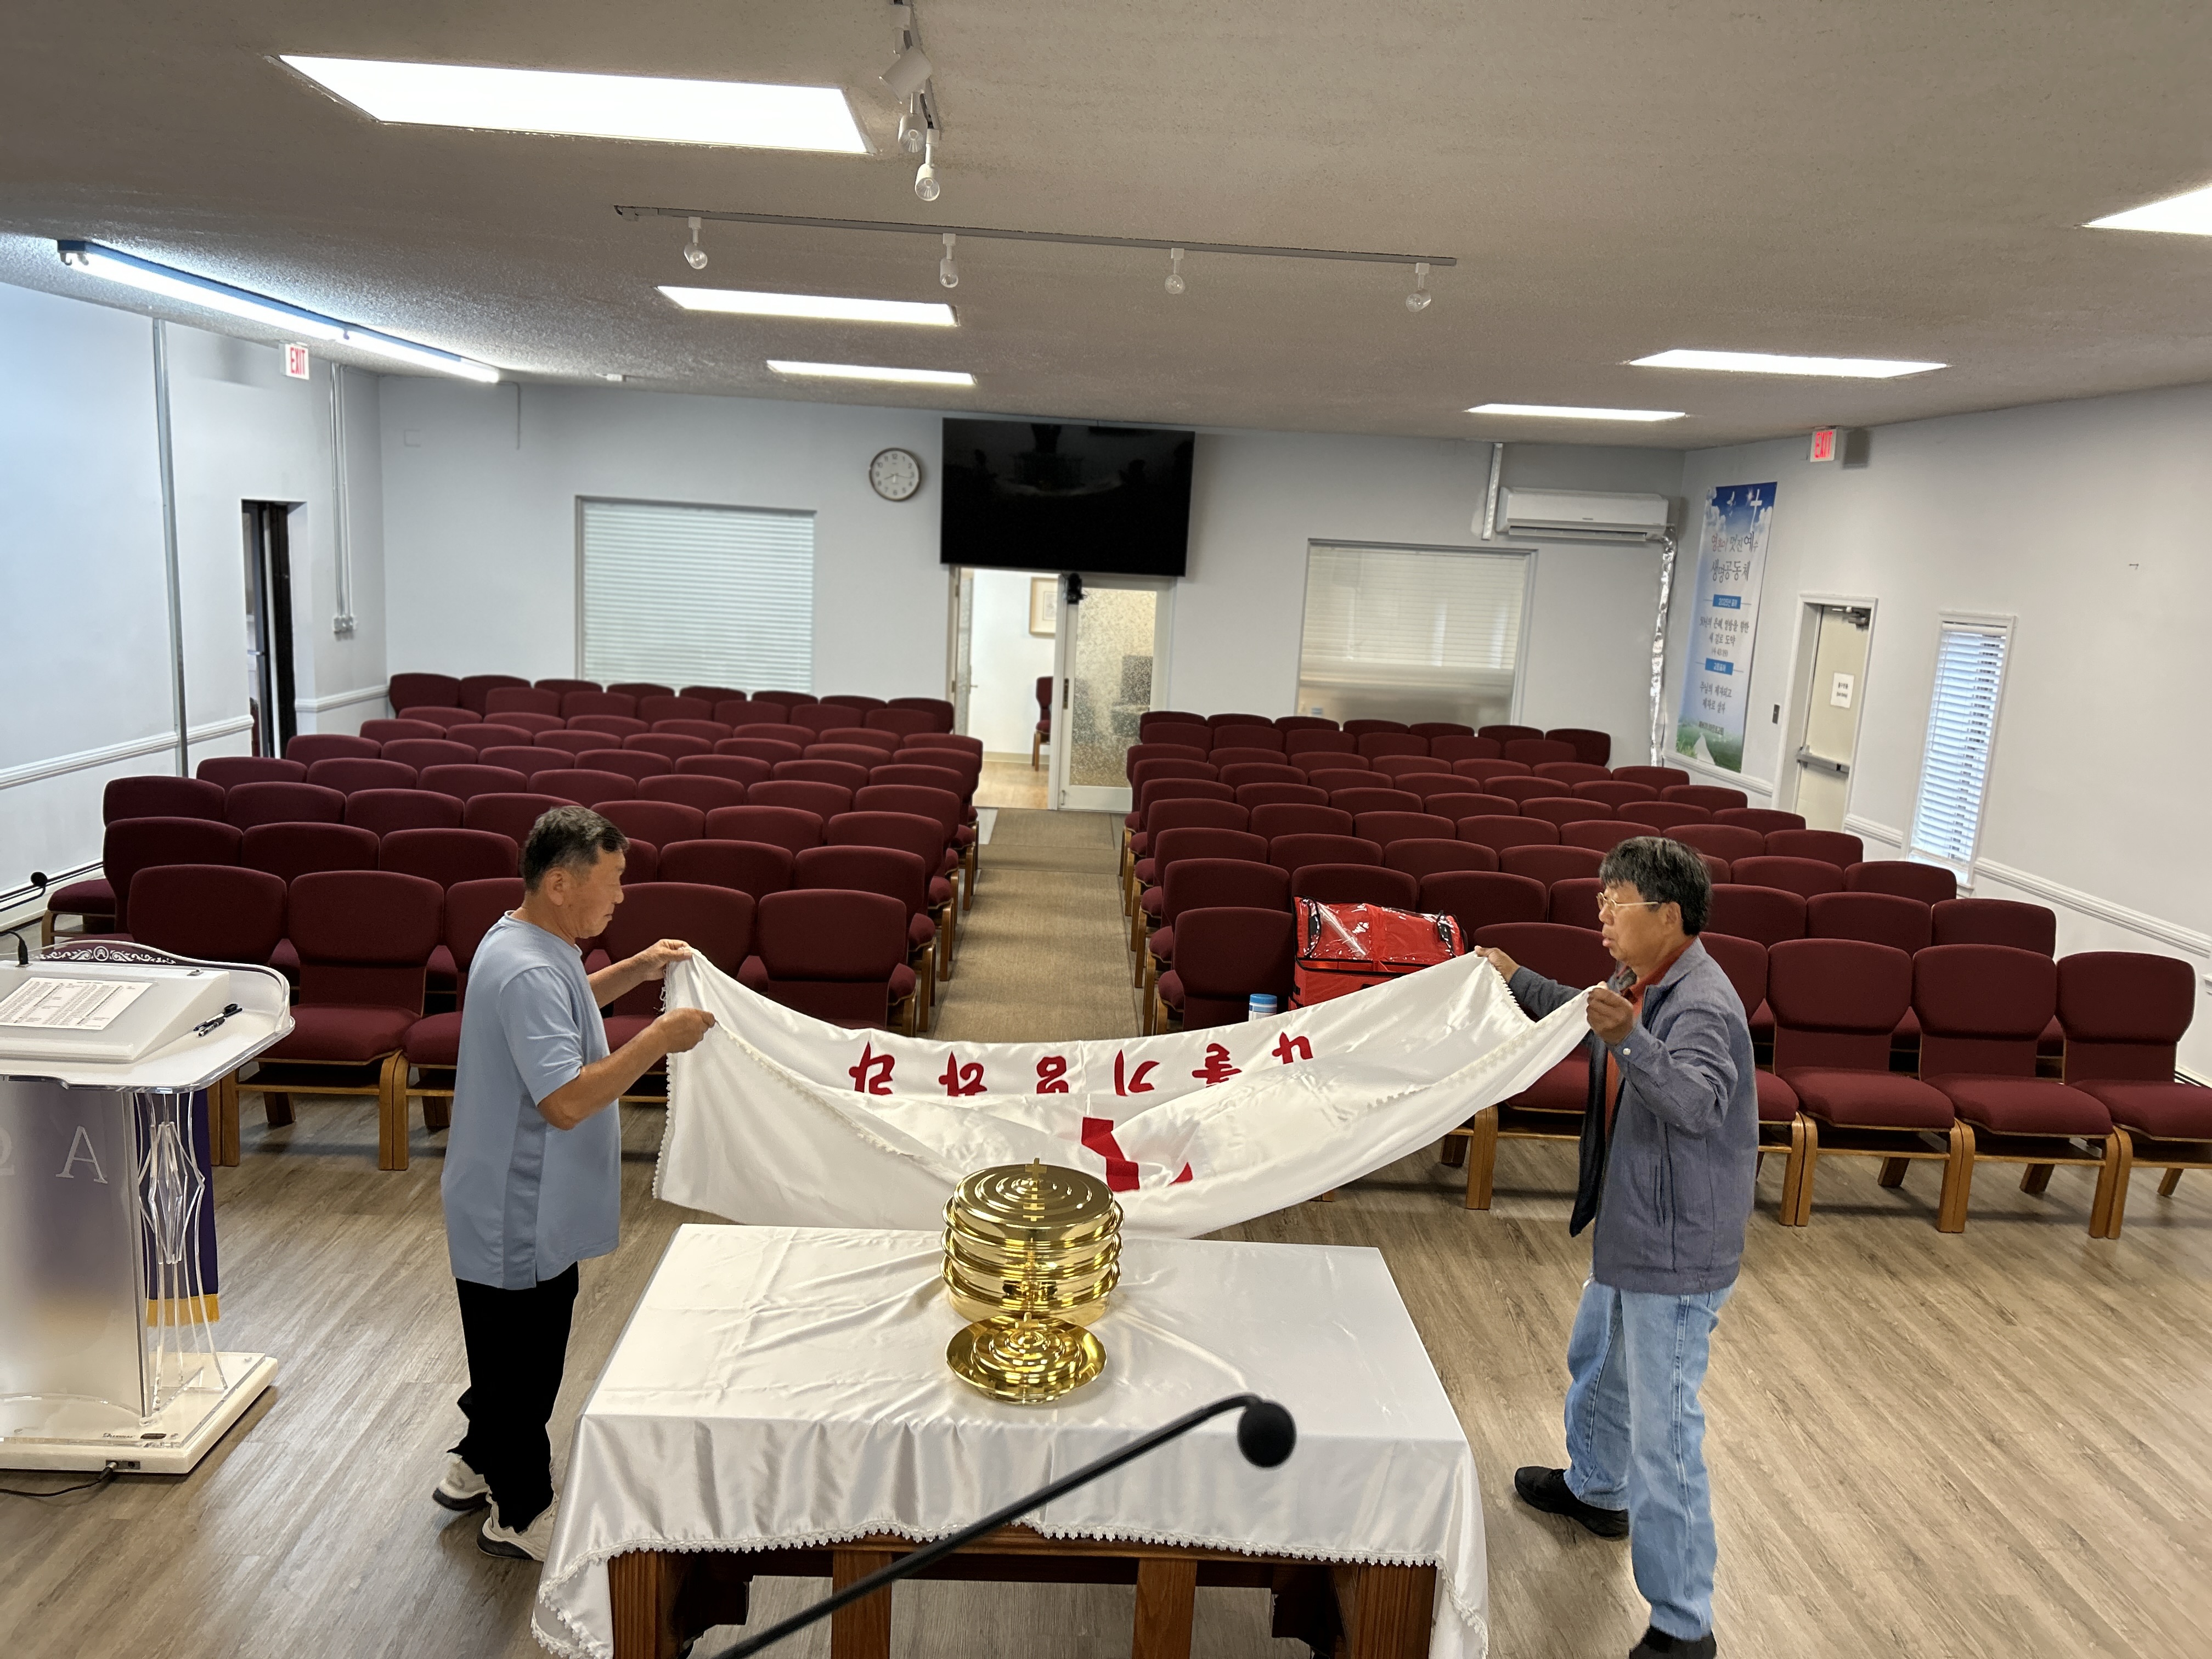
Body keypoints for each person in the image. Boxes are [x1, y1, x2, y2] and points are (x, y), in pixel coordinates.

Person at [1474, 836, 1756, 1659]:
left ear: (1668, 915)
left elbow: (1697, 1102)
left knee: (1666, 1437)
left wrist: (1632, 1037)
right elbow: (1589, 1011)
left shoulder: (1702, 1003)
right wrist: (1516, 977)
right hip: (1638, 1223)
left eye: (1615, 898)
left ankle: (1684, 1626)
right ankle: (1597, 1489)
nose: (1601, 912)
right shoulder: (1647, 979)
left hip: (1677, 1247)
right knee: (1599, 1356)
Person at [435, 805, 716, 1560]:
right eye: (612, 881)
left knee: (505, 1351)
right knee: (524, 1366)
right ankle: (520, 1511)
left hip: (508, 1197)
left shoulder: (524, 938)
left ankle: (473, 1463)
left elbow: (565, 1005)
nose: (621, 897)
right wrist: (658, 1039)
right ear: (561, 884)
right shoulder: (530, 966)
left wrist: (636, 969)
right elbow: (563, 1102)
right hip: (515, 1206)